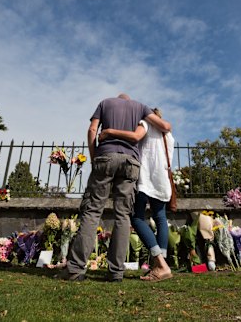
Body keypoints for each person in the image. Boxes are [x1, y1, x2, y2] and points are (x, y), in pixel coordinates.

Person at [62, 94, 170, 282]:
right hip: (130, 162)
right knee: (123, 215)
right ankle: (116, 272)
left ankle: (76, 269)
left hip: (106, 156)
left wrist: (95, 155)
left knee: (93, 211)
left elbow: (92, 130)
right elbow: (164, 126)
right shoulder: (141, 107)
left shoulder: (105, 103)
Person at [99, 108, 174, 282]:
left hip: (146, 178)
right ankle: (161, 265)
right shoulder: (167, 134)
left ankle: (160, 264)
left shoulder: (145, 124)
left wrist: (110, 132)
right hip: (161, 178)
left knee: (137, 218)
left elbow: (135, 137)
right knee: (160, 217)